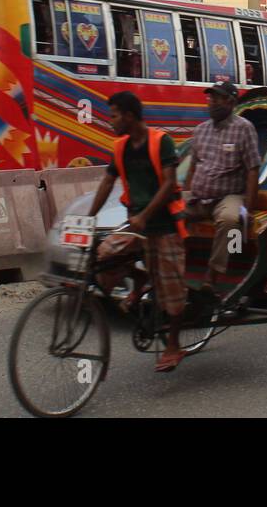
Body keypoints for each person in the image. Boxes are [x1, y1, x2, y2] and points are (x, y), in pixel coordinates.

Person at [88, 91, 187, 373]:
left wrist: (145, 215)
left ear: (130, 116)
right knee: (105, 254)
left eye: (114, 115)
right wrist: (88, 217)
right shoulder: (120, 147)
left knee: (172, 289)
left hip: (165, 225)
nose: (111, 122)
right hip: (136, 225)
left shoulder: (161, 142)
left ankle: (173, 345)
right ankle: (142, 278)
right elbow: (108, 182)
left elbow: (169, 184)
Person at [183, 80, 260, 296]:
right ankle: (174, 269)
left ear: (231, 101)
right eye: (210, 97)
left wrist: (249, 210)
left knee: (229, 220)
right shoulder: (200, 130)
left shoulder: (244, 128)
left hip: (229, 196)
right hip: (199, 196)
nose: (211, 102)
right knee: (167, 213)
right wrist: (184, 193)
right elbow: (192, 167)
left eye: (217, 98)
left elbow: (253, 169)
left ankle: (212, 276)